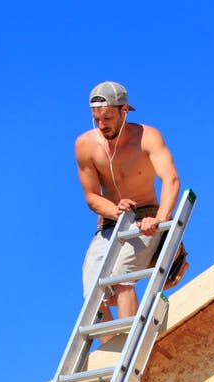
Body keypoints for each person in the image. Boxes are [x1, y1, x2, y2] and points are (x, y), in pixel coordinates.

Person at [76, 81, 180, 328]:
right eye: (96, 118)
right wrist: (115, 210)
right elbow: (91, 197)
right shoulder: (86, 146)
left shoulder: (147, 137)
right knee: (92, 290)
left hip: (147, 216)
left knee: (123, 276)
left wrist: (160, 218)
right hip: (111, 221)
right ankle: (111, 348)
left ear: (124, 111)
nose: (102, 125)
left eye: (108, 117)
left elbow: (171, 180)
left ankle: (128, 340)